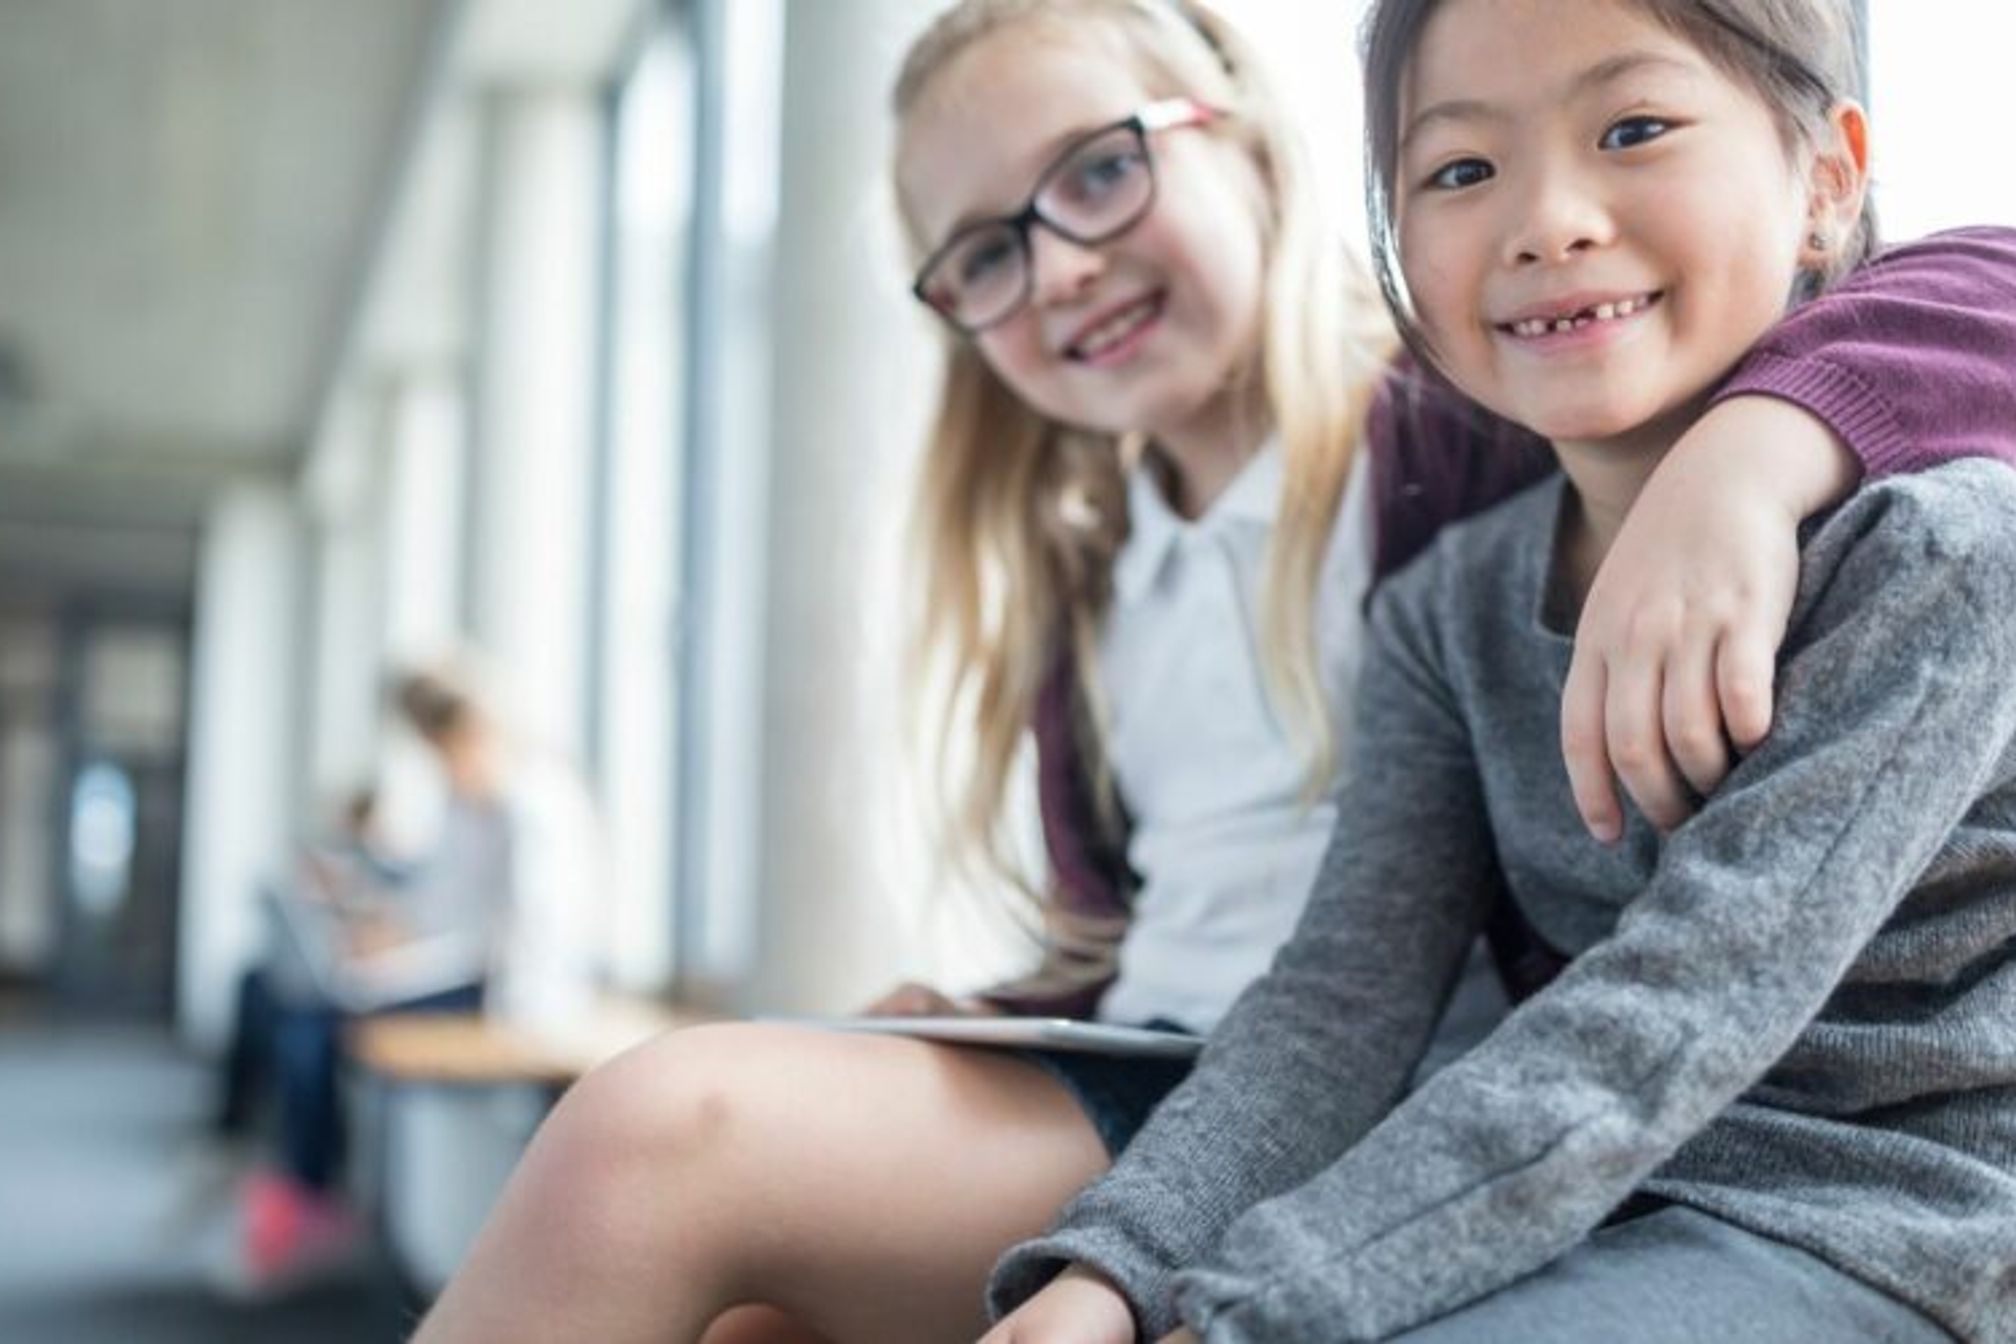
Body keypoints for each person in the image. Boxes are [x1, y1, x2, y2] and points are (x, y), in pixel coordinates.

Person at [415, 3, 2016, 1341]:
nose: (1056, 270)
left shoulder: (1462, 432)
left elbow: (1976, 297)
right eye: (981, 254)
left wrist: (1765, 441)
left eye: (1101, 175)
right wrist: (1028, 1067)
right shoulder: (1168, 570)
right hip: (1268, 1076)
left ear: (1254, 145)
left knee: (659, 1136)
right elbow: (1276, 942)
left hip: (1573, 1134)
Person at [984, 2, 2016, 1341]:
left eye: (1634, 129)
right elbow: (1336, 1007)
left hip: (1896, 1238)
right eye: (1459, 170)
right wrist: (1110, 1273)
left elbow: (1682, 1010)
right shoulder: (1444, 611)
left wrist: (1255, 1308)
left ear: (1826, 183)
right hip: (1599, 1206)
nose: (1548, 221)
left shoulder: (1938, 555)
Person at [207, 664, 602, 1296]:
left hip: (509, 992)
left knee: (311, 1024)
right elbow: (444, 901)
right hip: (458, 965)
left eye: (449, 751)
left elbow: (529, 934)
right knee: (278, 995)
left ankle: (309, 1190)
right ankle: (288, 1173)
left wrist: (408, 949)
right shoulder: (467, 800)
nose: (447, 767)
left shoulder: (535, 803)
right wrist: (388, 928)